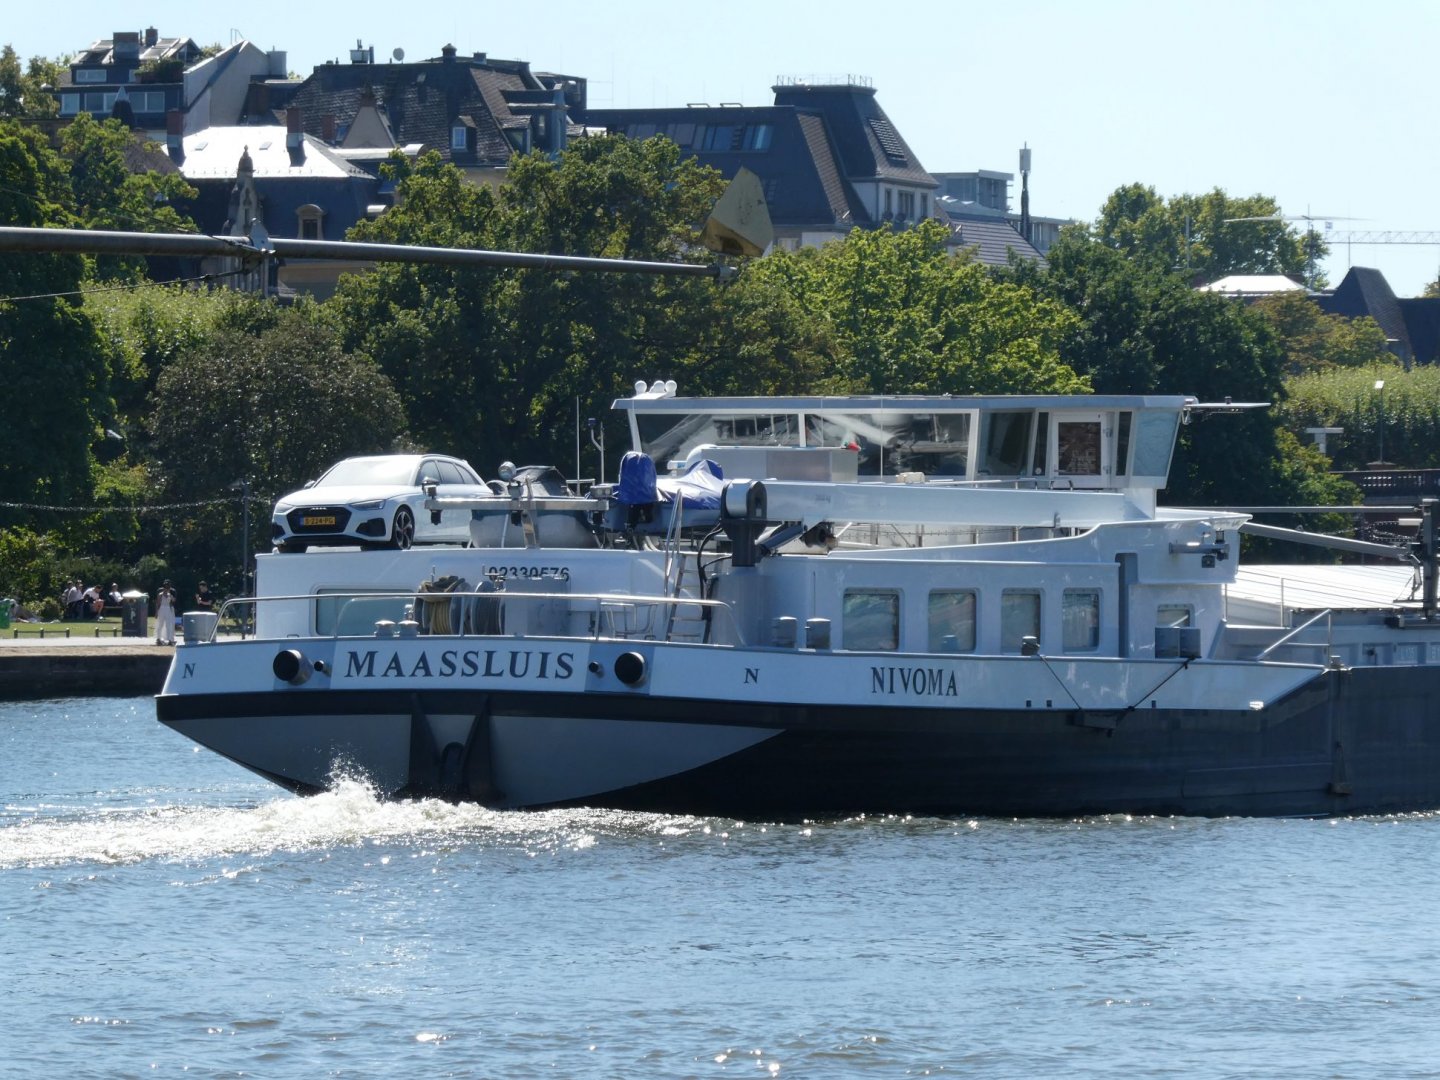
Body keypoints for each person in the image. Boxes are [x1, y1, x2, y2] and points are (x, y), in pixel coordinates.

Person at [155, 581, 176, 645]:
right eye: (166, 588)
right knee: (160, 624)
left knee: (168, 625)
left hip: (168, 609)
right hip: (161, 609)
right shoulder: (160, 595)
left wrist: (171, 596)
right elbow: (158, 603)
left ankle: (170, 639)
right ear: (163, 588)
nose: (167, 589)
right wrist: (156, 612)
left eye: (168, 588)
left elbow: (173, 601)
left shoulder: (170, 595)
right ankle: (158, 638)